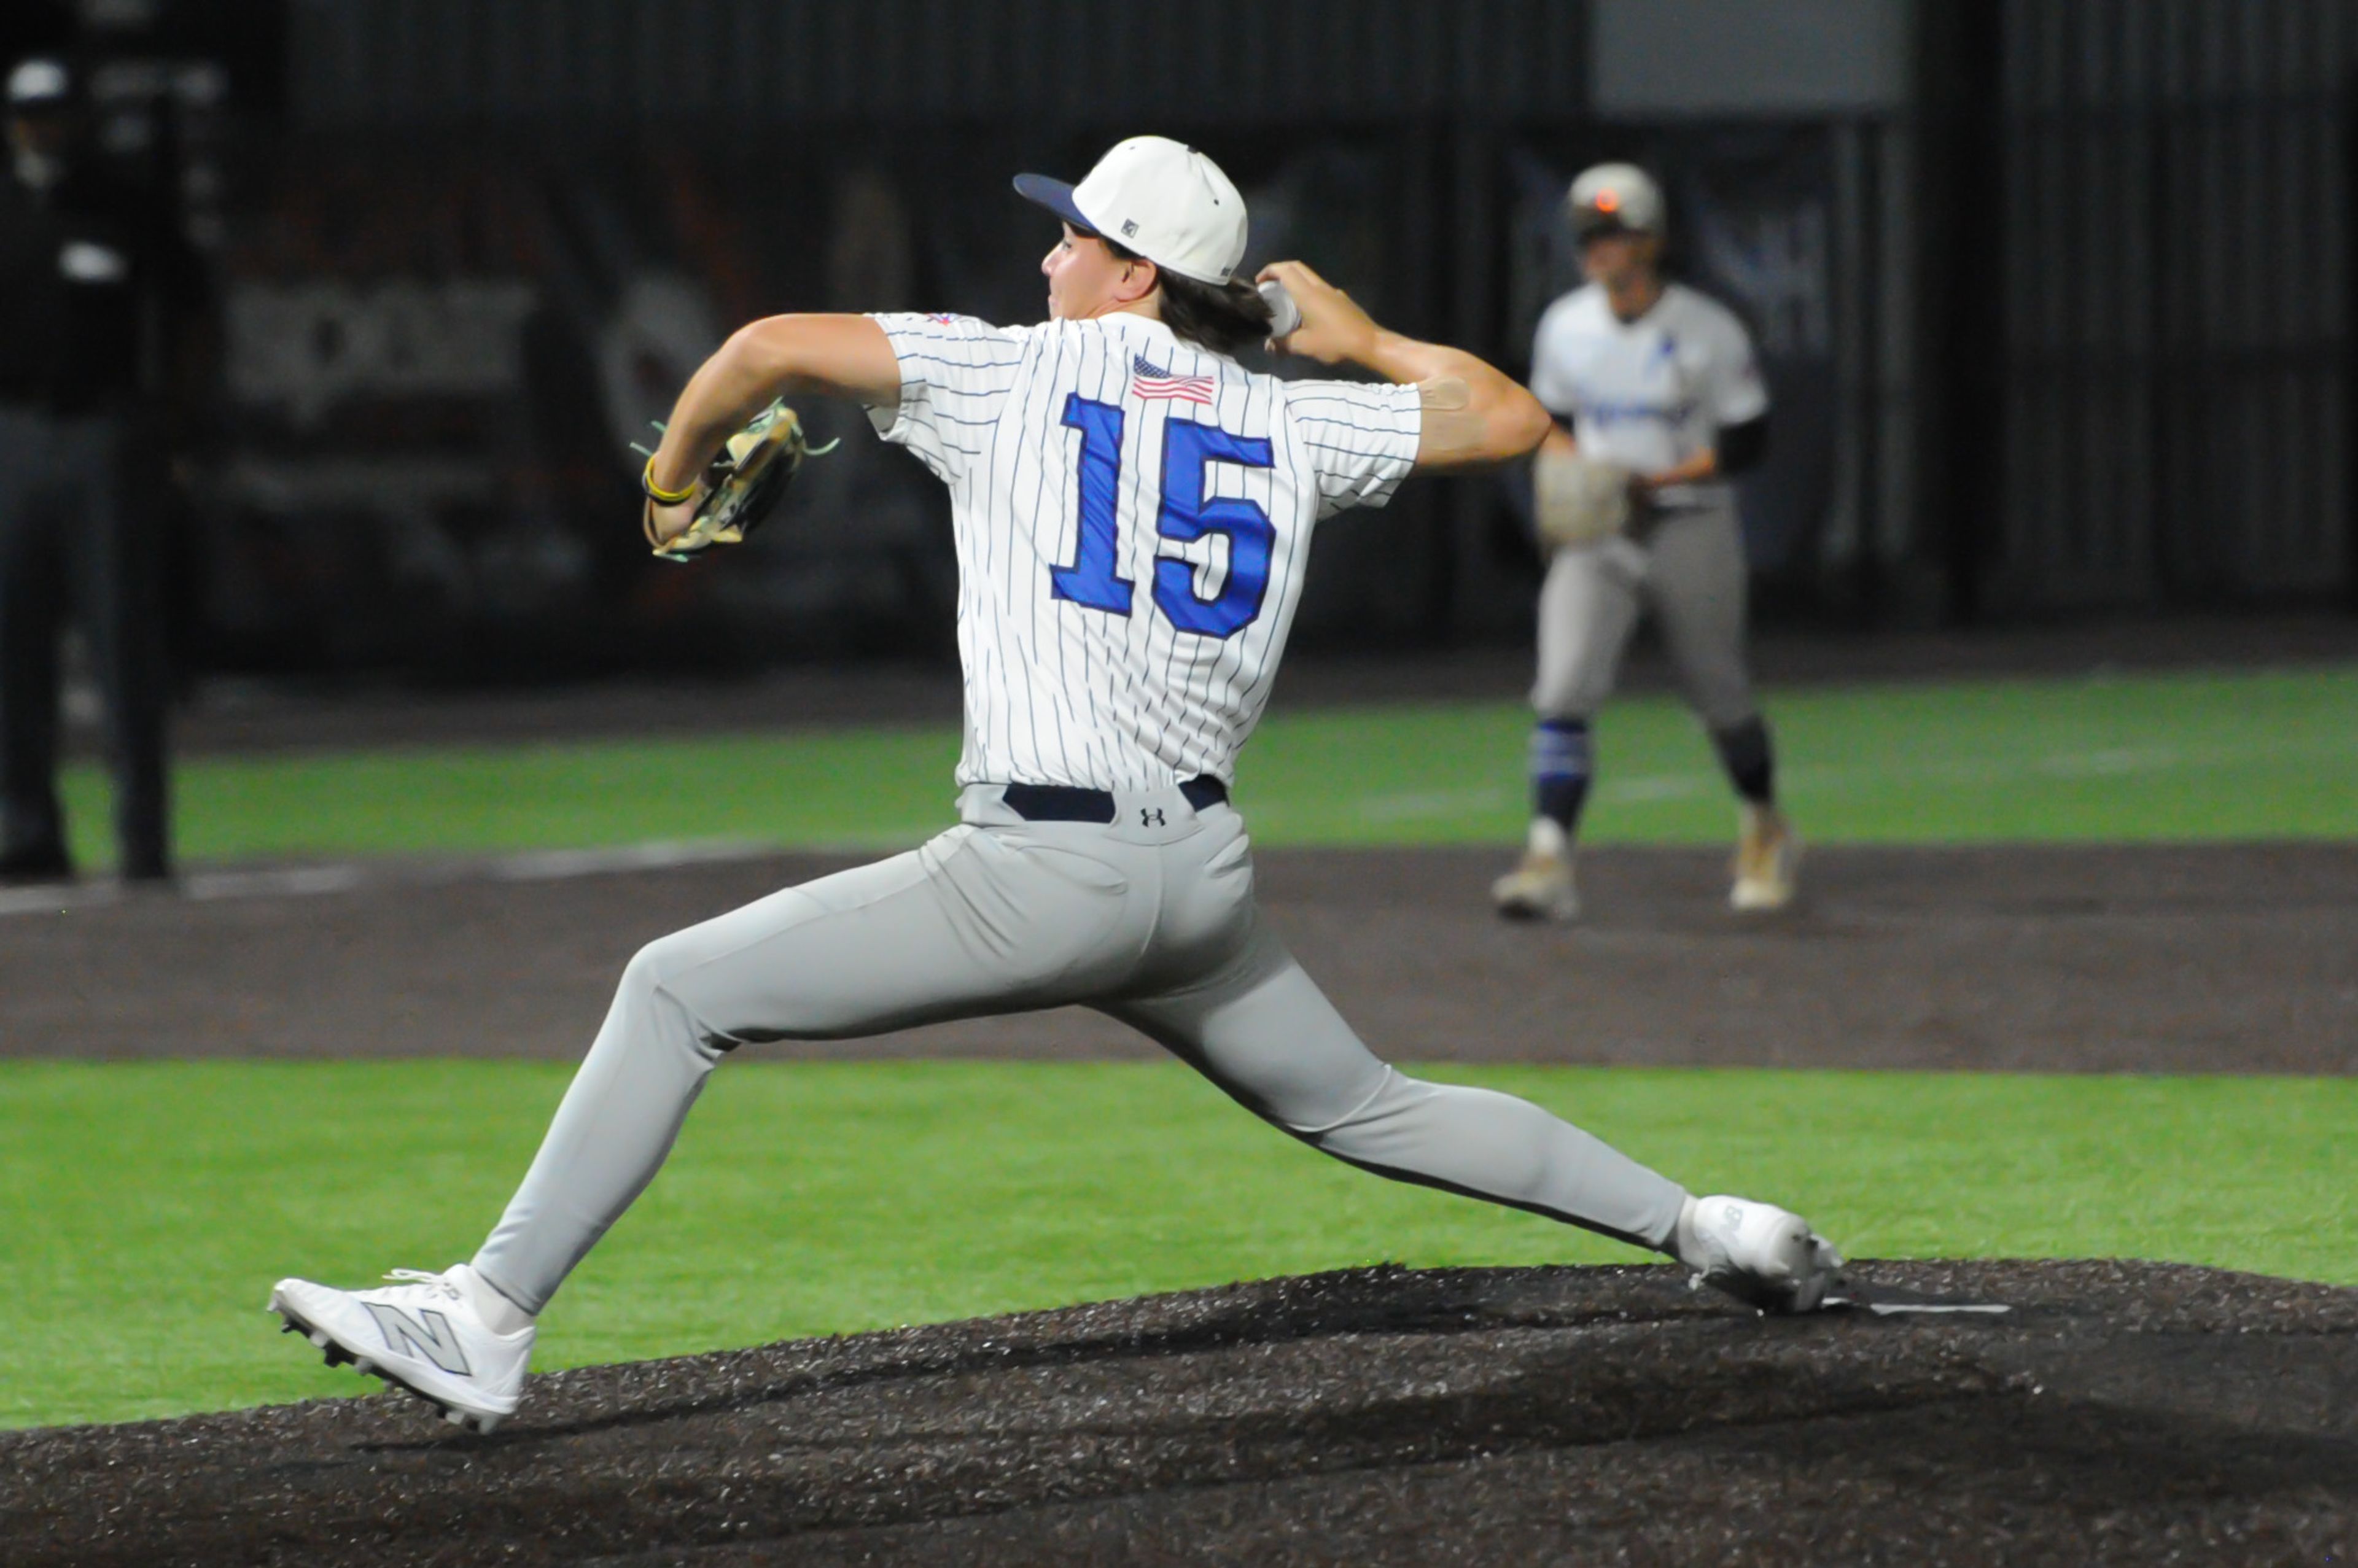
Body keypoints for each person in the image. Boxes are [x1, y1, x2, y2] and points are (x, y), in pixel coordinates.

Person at [270, 137, 1842, 1434]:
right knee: (1365, 1100)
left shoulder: (1003, 376)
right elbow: (1509, 416)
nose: (1048, 256)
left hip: (1041, 872)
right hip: (1199, 887)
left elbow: (759, 351)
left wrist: (671, 479)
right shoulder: (1284, 418)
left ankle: (484, 1312)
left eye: (1075, 235)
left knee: (675, 985)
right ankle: (1705, 1223)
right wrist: (1348, 330)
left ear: (1134, 271)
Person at [1492, 163, 1796, 923]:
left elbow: (1749, 440)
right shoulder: (1565, 325)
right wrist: (1571, 464)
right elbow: (1553, 416)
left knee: (1719, 691)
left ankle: (1764, 824)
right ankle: (1548, 858)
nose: (1600, 246)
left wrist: (1650, 479)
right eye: (1590, 234)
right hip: (1600, 529)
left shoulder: (1706, 328)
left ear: (1653, 240)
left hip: (1690, 521)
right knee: (1562, 689)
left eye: (1617, 231)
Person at [0, 56, 182, 887]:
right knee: (12, 646)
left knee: (121, 639)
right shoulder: (7, 211)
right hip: (14, 433)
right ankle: (28, 830)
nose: (43, 128)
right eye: (30, 114)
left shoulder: (122, 203)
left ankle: (142, 837)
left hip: (103, 434)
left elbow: (184, 311)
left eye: (55, 112)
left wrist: (165, 424)